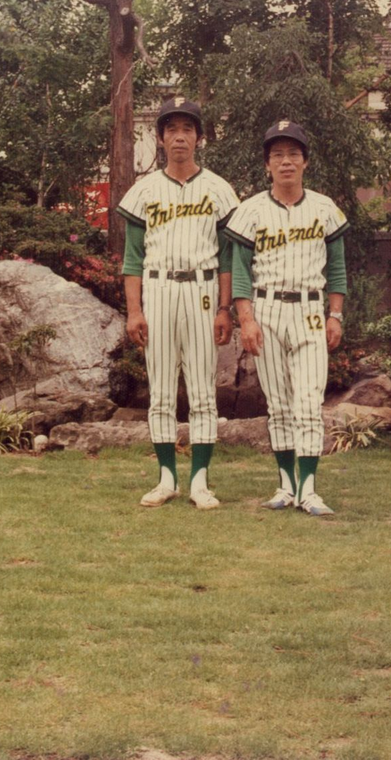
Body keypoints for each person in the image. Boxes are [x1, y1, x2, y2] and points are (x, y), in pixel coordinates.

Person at [117, 97, 239, 510]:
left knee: (204, 391)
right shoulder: (145, 190)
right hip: (159, 290)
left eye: (188, 129)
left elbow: (228, 256)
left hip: (202, 291)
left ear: (199, 138)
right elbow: (132, 259)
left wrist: (226, 308)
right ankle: (167, 478)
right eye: (172, 129)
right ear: (161, 137)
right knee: (162, 391)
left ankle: (200, 482)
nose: (180, 136)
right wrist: (134, 310)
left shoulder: (219, 189)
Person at [224, 120, 348, 516]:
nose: (286, 161)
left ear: (305, 161)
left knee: (308, 402)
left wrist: (336, 315)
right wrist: (246, 318)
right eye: (277, 155)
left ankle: (310, 489)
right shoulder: (251, 210)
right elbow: (241, 270)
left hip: (311, 309)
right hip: (268, 308)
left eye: (293, 154)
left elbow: (338, 268)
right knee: (277, 403)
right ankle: (286, 486)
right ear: (267, 164)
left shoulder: (324, 208)